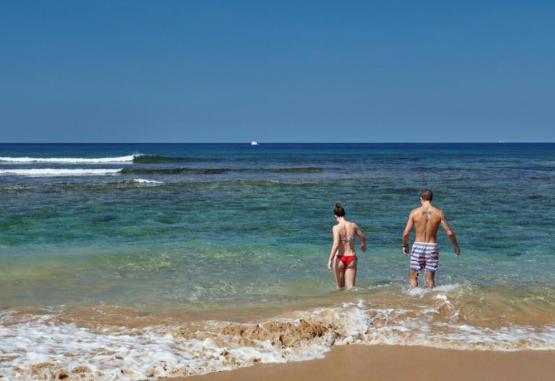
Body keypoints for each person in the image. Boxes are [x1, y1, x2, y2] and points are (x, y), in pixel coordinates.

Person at [402, 189, 461, 288]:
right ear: (431, 199)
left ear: (421, 199)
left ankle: (413, 299)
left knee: (413, 277)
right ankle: (432, 300)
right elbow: (449, 232)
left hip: (418, 245)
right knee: (430, 279)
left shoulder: (414, 212)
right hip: (431, 247)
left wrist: (405, 245)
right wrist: (455, 246)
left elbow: (406, 233)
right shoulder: (439, 213)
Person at [328, 202, 366, 290]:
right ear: (344, 214)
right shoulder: (353, 225)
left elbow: (336, 244)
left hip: (340, 258)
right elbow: (362, 236)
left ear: (335, 216)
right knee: (351, 288)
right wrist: (363, 244)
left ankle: (341, 304)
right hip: (351, 258)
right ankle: (353, 303)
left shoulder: (336, 227)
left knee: (340, 288)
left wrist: (330, 259)